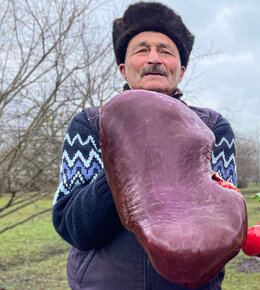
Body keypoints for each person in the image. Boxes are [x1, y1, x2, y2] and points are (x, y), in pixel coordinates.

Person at [52, 2, 237, 289]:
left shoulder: (212, 128)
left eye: (166, 50)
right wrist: (129, 161)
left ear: (181, 71)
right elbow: (76, 229)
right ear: (124, 70)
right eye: (141, 50)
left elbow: (224, 230)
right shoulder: (90, 125)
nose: (154, 58)